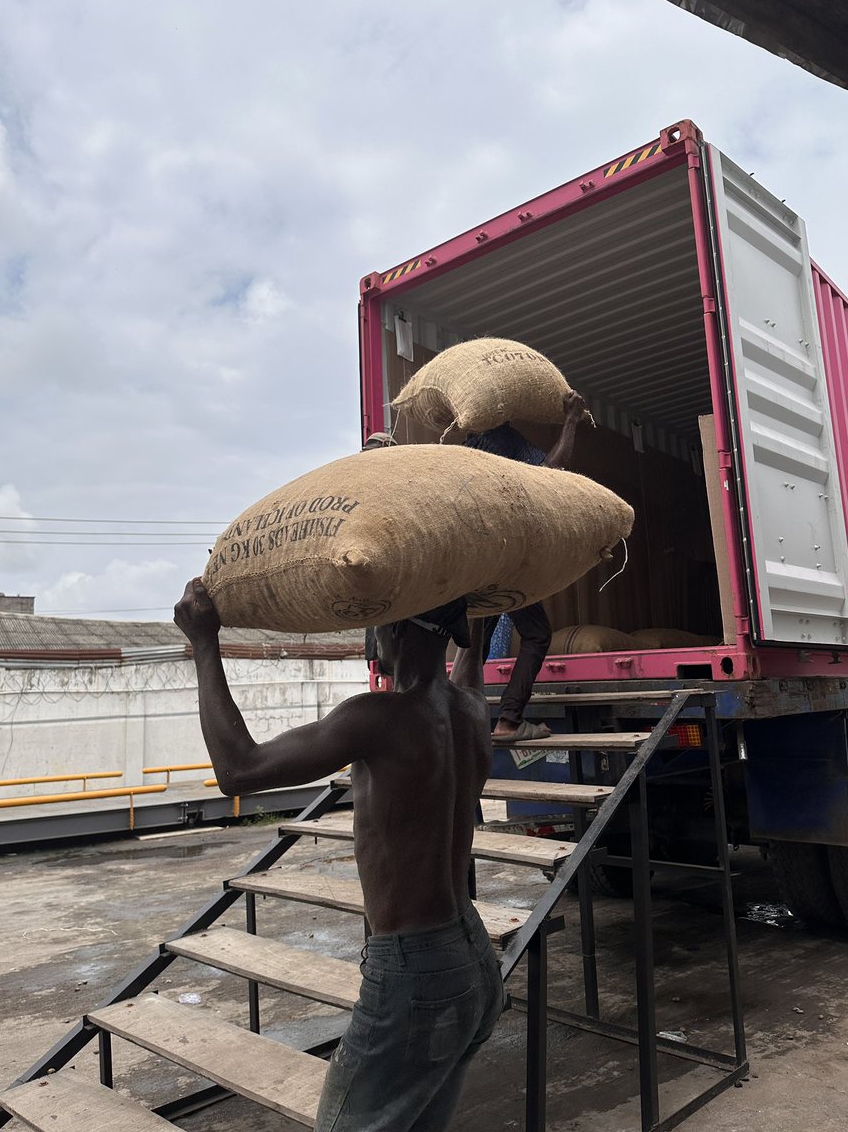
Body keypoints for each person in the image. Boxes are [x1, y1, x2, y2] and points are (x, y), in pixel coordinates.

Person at [173, 581, 503, 1132]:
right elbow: (469, 662)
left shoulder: (377, 717)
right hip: (473, 960)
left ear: (393, 629)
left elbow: (239, 770)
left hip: (414, 971)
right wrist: (481, 608)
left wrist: (204, 643)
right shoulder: (471, 710)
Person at [465, 390, 588, 743]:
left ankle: (460, 720)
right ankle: (509, 719)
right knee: (536, 634)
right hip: (504, 559)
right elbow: (552, 471)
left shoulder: (466, 446)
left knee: (476, 644)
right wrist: (571, 420)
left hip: (475, 560)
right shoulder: (504, 438)